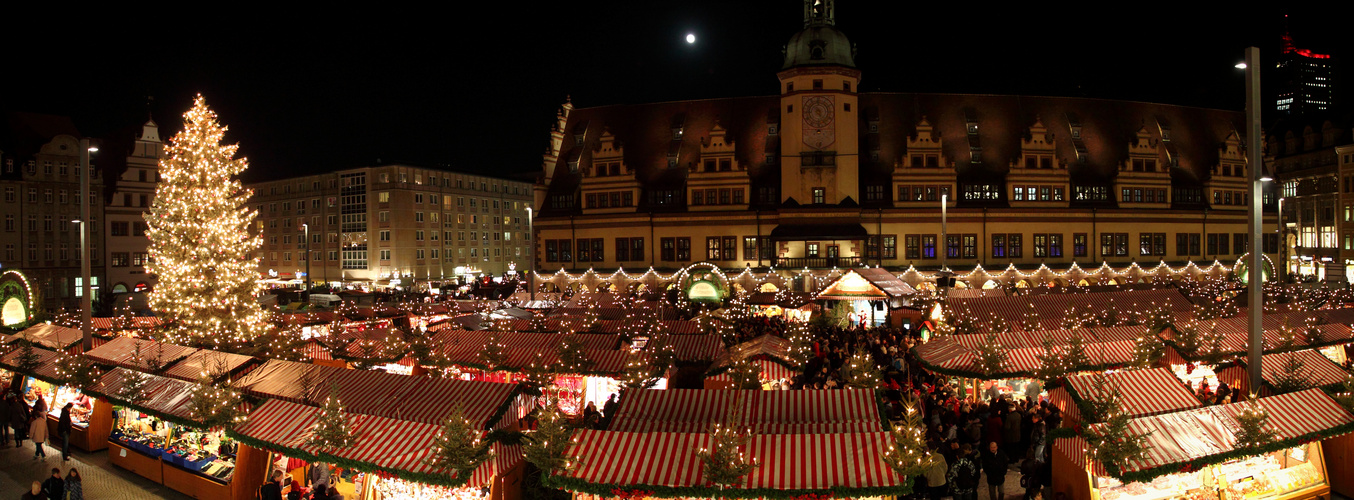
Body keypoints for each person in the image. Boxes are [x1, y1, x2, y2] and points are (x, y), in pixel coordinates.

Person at [30, 394, 49, 460]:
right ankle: (36, 454)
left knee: (38, 446)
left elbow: (32, 430)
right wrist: (46, 436)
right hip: (42, 436)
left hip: (37, 436)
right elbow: (46, 429)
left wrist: (30, 436)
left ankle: (43, 456)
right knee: (39, 445)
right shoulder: (43, 421)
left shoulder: (34, 422)